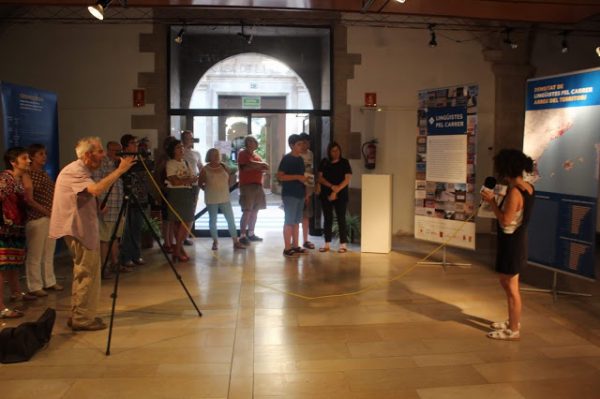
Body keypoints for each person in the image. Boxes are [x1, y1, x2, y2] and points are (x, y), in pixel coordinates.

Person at [49, 137, 135, 331]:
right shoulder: (76, 170)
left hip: (80, 228)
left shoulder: (81, 170)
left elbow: (83, 194)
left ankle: (79, 314)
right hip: (78, 230)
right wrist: (120, 170)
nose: (103, 155)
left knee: (84, 272)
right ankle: (82, 319)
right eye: (99, 151)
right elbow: (95, 189)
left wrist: (96, 208)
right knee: (87, 274)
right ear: (87, 155)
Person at [481, 149, 534, 341]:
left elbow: (505, 220)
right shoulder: (528, 187)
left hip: (512, 243)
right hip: (516, 241)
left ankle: (513, 330)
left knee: (511, 288)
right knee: (507, 282)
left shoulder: (514, 192)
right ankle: (513, 320)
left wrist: (492, 202)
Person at [0, 147, 37, 319]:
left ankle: (16, 292)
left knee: (12, 264)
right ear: (13, 162)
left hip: (15, 228)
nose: (29, 161)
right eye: (24, 158)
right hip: (4, 230)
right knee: (2, 266)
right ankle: (1, 307)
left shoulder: (18, 180)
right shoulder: (5, 179)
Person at [23, 144, 63, 297]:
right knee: (35, 253)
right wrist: (46, 211)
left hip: (50, 216)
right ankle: (34, 285)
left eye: (45, 154)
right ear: (32, 156)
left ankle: (49, 280)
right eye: (40, 154)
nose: (44, 157)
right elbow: (29, 200)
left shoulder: (43, 173)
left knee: (48, 251)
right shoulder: (29, 174)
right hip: (37, 217)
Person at [199, 148, 246, 251]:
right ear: (209, 156)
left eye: (217, 154)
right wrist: (208, 189)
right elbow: (200, 183)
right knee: (213, 220)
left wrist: (224, 188)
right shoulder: (205, 169)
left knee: (230, 220)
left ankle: (235, 241)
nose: (216, 156)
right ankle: (215, 242)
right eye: (213, 154)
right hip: (211, 198)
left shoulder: (224, 166)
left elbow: (228, 179)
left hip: (224, 197)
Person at [91, 141, 125, 277]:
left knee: (115, 237)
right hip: (107, 206)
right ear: (108, 150)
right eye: (115, 150)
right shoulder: (102, 164)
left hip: (118, 206)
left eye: (120, 150)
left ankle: (114, 263)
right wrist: (99, 204)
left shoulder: (119, 164)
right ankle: (102, 267)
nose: (118, 153)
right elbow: (97, 185)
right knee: (104, 238)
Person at [119, 134, 149, 268]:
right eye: (132, 143)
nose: (135, 145)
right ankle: (126, 257)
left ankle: (136, 255)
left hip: (141, 198)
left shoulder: (140, 159)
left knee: (137, 228)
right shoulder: (122, 160)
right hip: (128, 199)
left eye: (136, 143)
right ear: (125, 146)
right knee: (127, 230)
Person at [165, 139, 198, 262]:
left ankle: (178, 249)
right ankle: (178, 250)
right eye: (179, 147)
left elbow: (189, 178)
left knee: (187, 221)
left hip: (187, 192)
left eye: (182, 147)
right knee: (177, 222)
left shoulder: (186, 162)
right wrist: (188, 180)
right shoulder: (170, 163)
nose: (182, 149)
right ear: (173, 150)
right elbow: (174, 181)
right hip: (176, 194)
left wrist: (192, 179)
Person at [318, 141, 352, 253]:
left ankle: (343, 245)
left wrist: (337, 189)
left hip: (341, 194)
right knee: (328, 218)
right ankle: (327, 244)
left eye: (337, 150)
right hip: (326, 193)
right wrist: (332, 187)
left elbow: (347, 178)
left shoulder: (344, 162)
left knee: (341, 218)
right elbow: (320, 178)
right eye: (333, 151)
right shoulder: (324, 162)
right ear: (329, 152)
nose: (336, 153)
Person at [277, 134, 307, 257]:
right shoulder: (287, 159)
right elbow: (280, 176)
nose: (301, 146)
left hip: (300, 193)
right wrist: (297, 177)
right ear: (291, 145)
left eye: (302, 144)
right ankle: (287, 247)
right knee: (289, 221)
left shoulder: (300, 159)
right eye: (299, 144)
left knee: (296, 221)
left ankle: (295, 245)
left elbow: (302, 176)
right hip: (290, 194)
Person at [237, 135, 269, 245]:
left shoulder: (257, 157)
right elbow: (245, 167)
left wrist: (254, 166)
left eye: (253, 141)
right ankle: (242, 235)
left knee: (255, 211)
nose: (251, 143)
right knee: (247, 211)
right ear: (246, 143)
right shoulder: (242, 153)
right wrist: (259, 165)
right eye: (249, 141)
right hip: (247, 186)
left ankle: (251, 233)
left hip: (258, 186)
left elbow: (265, 168)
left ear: (256, 144)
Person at [181, 130, 203, 246]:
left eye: (191, 138)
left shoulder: (196, 153)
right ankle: (181, 237)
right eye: (188, 138)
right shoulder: (180, 151)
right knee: (183, 211)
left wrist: (203, 179)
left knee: (191, 211)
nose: (190, 140)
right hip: (182, 185)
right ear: (183, 139)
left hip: (194, 185)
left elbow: (201, 167)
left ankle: (185, 236)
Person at [298, 133, 316, 250]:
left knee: (306, 215)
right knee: (294, 215)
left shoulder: (310, 154)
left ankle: (305, 240)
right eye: (304, 142)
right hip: (297, 186)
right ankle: (292, 241)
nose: (306, 145)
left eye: (308, 142)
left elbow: (311, 170)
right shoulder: (296, 154)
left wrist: (311, 188)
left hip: (308, 185)